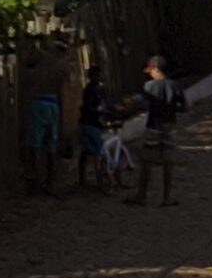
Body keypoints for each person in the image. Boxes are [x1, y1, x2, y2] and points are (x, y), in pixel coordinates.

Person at [126, 55, 186, 206]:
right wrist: (171, 108)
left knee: (147, 161)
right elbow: (184, 107)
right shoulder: (174, 85)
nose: (149, 73)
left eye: (150, 70)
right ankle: (167, 197)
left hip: (154, 125)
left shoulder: (149, 86)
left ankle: (142, 195)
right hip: (169, 125)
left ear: (156, 69)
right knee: (168, 162)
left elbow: (142, 103)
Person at [76, 66, 114, 190]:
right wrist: (100, 114)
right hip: (90, 124)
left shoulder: (98, 89)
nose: (98, 78)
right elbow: (88, 108)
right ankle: (99, 182)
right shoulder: (90, 90)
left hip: (92, 123)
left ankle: (85, 180)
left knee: (87, 151)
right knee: (97, 152)